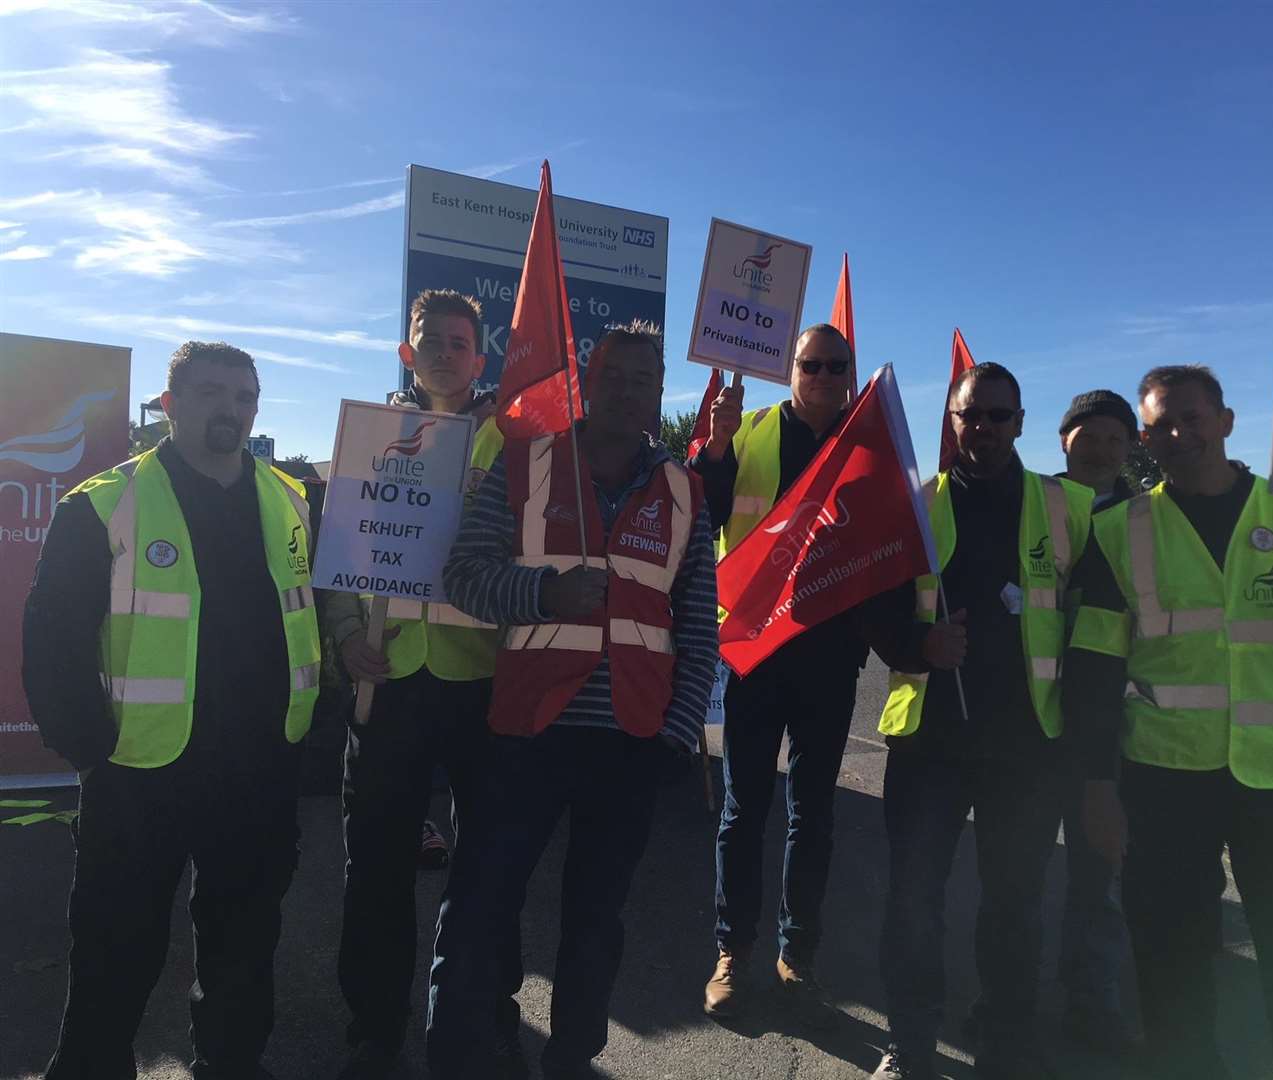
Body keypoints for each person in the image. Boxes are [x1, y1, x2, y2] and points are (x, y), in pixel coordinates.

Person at [1063, 364, 1273, 1080]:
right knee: (1170, 961)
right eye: (1160, 426)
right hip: (1165, 780)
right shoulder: (1120, 532)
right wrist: (1094, 787)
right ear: (1145, 439)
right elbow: (1093, 673)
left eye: (1192, 419)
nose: (1177, 435)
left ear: (1228, 422)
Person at [22, 341, 321, 1080]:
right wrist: (89, 747)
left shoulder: (291, 500)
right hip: (140, 769)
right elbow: (51, 640)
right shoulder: (103, 503)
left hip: (258, 767)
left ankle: (230, 1065)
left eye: (244, 397)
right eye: (212, 393)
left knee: (244, 948)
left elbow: (311, 614)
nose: (231, 410)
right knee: (115, 951)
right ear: (171, 404)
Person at [428, 321, 718, 1080]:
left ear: (661, 392)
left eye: (643, 380)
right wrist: (544, 592)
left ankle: (570, 1062)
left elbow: (697, 624)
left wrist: (678, 733)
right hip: (526, 731)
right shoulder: (528, 464)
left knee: (596, 923)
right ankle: (458, 1056)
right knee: (483, 907)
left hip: (631, 739)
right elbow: (463, 576)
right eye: (613, 376)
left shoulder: (684, 490)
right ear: (590, 380)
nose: (628, 391)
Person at [692, 325, 967, 1020]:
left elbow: (888, 549)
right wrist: (716, 448)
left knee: (813, 815)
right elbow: (704, 516)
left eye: (834, 365)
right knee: (741, 810)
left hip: (830, 659)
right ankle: (732, 950)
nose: (821, 375)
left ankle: (797, 953)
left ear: (850, 374)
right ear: (790, 370)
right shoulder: (748, 431)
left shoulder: (866, 443)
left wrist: (910, 643)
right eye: (809, 364)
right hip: (755, 652)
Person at [871, 363, 1092, 1080]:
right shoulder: (917, 505)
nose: (985, 428)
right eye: (972, 416)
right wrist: (918, 647)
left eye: (999, 416)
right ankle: (911, 1045)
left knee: (1015, 906)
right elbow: (878, 616)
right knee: (913, 904)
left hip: (1027, 748)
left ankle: (1006, 1041)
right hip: (931, 742)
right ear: (952, 421)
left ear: (1022, 421)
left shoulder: (1068, 508)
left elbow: (1096, 630)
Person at [323, 289, 516, 1079]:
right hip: (390, 676)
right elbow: (339, 544)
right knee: (376, 864)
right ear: (408, 352)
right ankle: (375, 1023)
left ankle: (482, 1010)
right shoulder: (371, 434)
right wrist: (342, 636)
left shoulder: (514, 441)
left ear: (480, 356)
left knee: (490, 867)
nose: (443, 351)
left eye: (459, 341)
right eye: (429, 339)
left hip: (485, 684)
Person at [1050, 389, 1142, 1053]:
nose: (1104, 450)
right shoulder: (1034, 503)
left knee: (1098, 876)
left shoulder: (1145, 518)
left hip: (1111, 727)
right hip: (1030, 719)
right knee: (1017, 879)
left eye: (1117, 438)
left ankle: (1095, 1006)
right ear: (1063, 439)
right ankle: (1012, 1005)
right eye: (1091, 435)